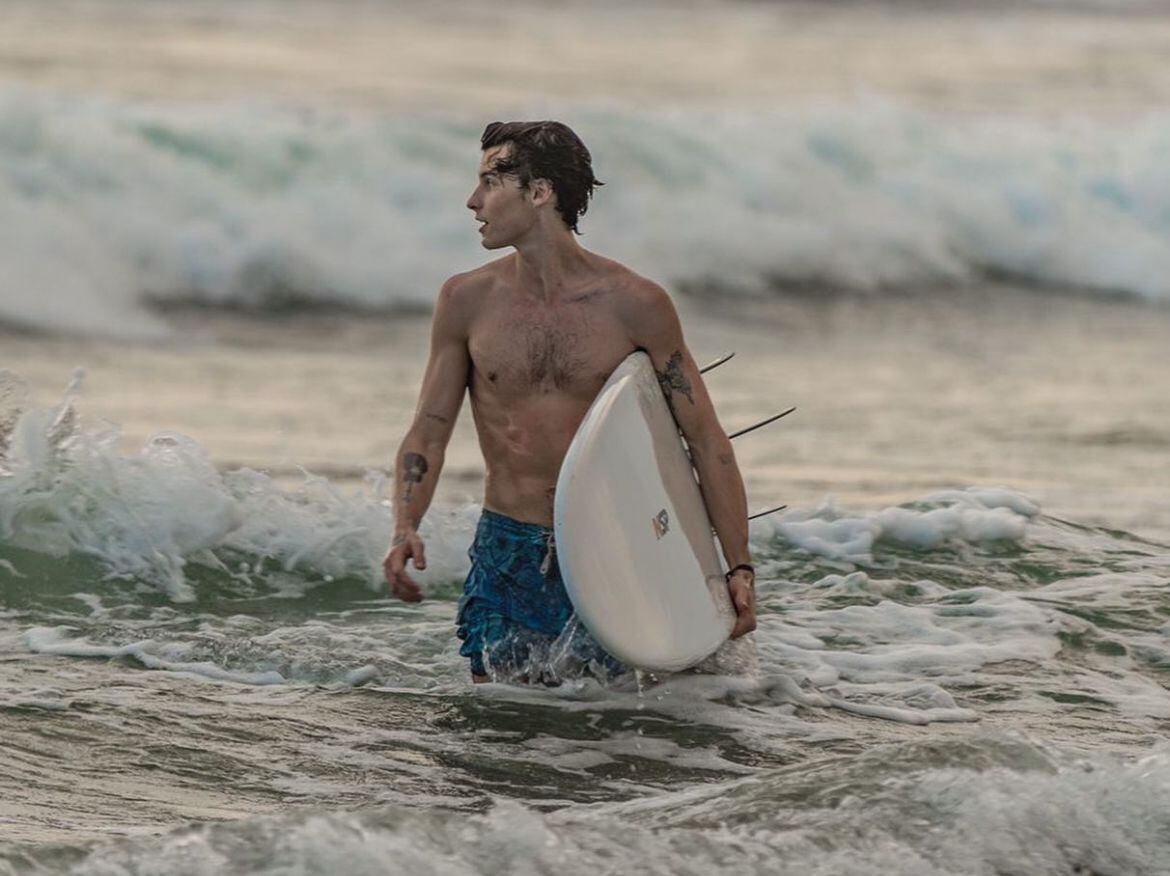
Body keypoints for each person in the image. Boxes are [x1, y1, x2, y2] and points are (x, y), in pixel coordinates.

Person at [382, 120, 756, 684]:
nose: (472, 201)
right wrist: (405, 524)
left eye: (489, 182)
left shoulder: (636, 305)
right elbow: (429, 429)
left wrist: (738, 565)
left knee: (623, 737)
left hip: (618, 544)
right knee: (498, 737)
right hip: (508, 549)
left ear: (539, 192)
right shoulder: (466, 301)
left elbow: (705, 440)